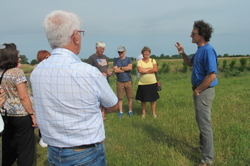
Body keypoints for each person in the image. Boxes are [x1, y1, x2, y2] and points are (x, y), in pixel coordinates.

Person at [30, 10, 118, 166]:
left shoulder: (37, 72)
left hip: (54, 150)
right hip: (85, 151)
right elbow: (113, 104)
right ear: (75, 36)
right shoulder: (88, 71)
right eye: (81, 34)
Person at [175, 20, 218, 166]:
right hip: (200, 91)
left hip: (204, 92)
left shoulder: (208, 50)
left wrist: (198, 90)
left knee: (205, 125)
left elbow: (212, 75)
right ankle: (202, 148)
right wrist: (182, 53)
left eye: (193, 33)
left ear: (202, 35)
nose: (190, 35)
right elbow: (190, 63)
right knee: (201, 122)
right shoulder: (200, 50)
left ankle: (207, 160)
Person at [0, 43, 37, 166]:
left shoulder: (2, 73)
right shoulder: (17, 73)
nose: (19, 58)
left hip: (6, 114)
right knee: (26, 147)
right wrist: (32, 114)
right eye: (17, 56)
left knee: (9, 144)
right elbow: (23, 96)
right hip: (21, 114)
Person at [87, 41, 112, 120]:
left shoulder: (105, 57)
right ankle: (97, 115)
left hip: (105, 81)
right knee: (97, 98)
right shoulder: (92, 58)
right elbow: (88, 71)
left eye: (103, 49)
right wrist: (100, 74)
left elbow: (106, 68)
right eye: (101, 49)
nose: (102, 50)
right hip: (96, 82)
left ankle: (103, 114)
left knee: (104, 98)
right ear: (96, 48)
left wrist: (109, 73)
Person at [135, 46, 159, 118]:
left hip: (152, 82)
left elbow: (155, 69)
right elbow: (139, 70)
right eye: (145, 52)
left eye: (147, 52)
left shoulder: (152, 60)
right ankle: (143, 114)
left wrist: (145, 70)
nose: (146, 53)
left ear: (149, 53)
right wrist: (150, 69)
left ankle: (153, 114)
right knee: (143, 100)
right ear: (142, 53)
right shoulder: (140, 61)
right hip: (143, 83)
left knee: (153, 99)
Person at [35, 50, 51, 148]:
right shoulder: (38, 70)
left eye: (49, 57)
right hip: (42, 97)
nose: (48, 59)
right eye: (46, 57)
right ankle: (43, 136)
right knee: (43, 116)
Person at [113, 46, 133, 117]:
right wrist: (125, 69)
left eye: (121, 52)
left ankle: (130, 110)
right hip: (119, 81)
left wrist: (120, 68)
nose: (120, 53)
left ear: (125, 51)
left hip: (128, 80)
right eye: (119, 52)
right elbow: (115, 70)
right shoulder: (116, 60)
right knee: (120, 98)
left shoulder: (128, 59)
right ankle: (120, 111)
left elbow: (130, 67)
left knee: (130, 97)